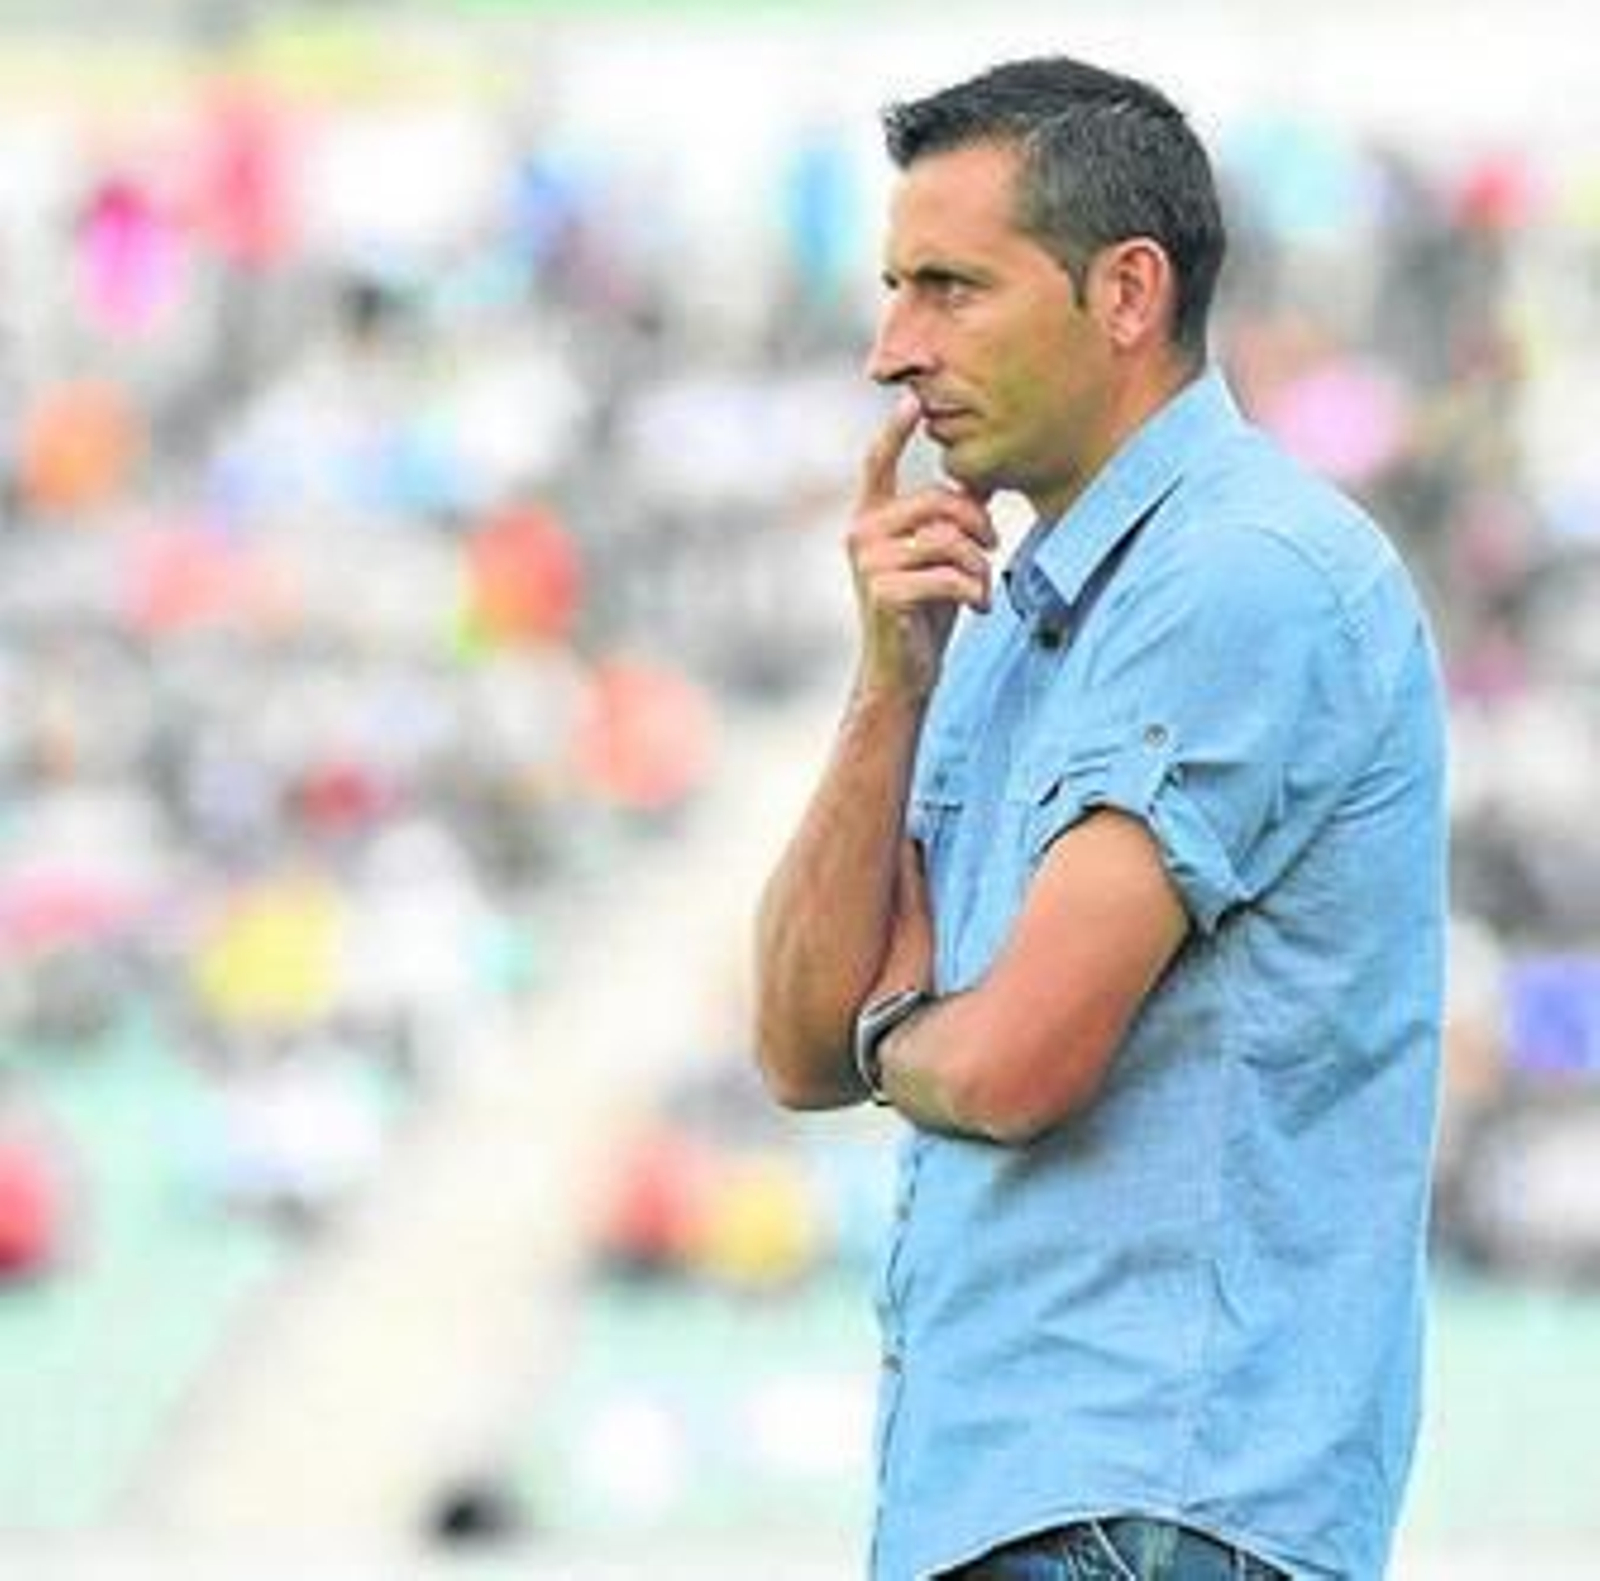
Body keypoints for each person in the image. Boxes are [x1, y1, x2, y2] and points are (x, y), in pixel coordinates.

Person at [752, 54, 1446, 1581]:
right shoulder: (998, 612)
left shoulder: (1245, 572)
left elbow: (1012, 1062)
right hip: (1029, 1506)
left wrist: (896, 1031)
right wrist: (888, 686)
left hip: (1152, 1511)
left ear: (1127, 291)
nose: (890, 350)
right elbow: (797, 1041)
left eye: (948, 287)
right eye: (891, 287)